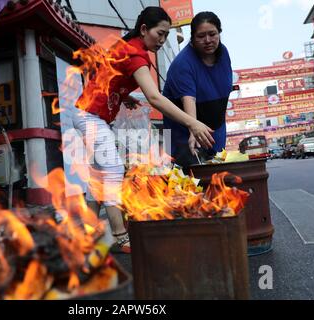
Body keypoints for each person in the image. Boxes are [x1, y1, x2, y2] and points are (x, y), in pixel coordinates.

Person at [72, 7, 215, 253]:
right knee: (114, 169)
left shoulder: (129, 50)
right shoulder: (134, 54)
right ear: (144, 30)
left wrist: (124, 96)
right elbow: (154, 97)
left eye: (166, 35)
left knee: (97, 179)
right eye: (160, 33)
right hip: (89, 116)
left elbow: (111, 78)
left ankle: (83, 237)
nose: (162, 40)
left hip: (90, 115)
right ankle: (119, 234)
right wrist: (192, 122)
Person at [163, 11, 233, 167]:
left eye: (212, 34)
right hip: (181, 134)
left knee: (218, 181)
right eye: (201, 36)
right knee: (190, 183)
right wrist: (192, 129)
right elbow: (189, 98)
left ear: (219, 33)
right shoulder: (183, 63)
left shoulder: (224, 53)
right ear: (192, 38)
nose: (208, 40)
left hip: (215, 131)